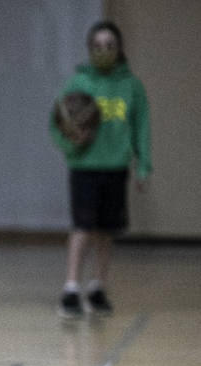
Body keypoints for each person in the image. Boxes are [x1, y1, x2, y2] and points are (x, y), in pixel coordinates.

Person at [50, 20, 150, 318]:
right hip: (84, 166)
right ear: (89, 49)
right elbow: (56, 123)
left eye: (110, 46)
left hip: (116, 166)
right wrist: (72, 145)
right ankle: (71, 289)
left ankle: (97, 288)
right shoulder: (78, 84)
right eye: (97, 46)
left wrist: (143, 164)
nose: (103, 51)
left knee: (106, 231)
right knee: (82, 228)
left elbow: (141, 126)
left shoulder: (131, 86)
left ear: (119, 49)